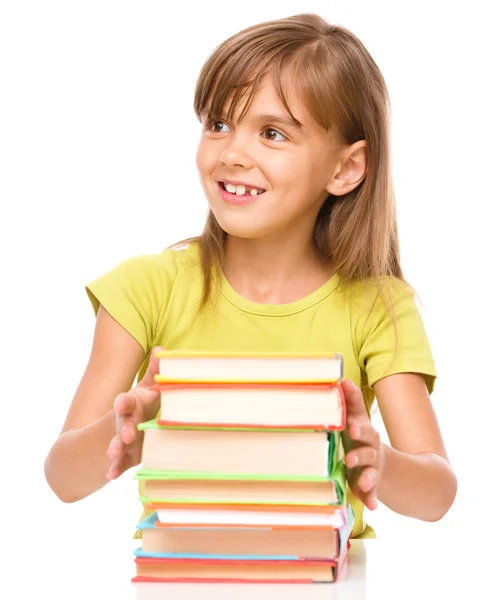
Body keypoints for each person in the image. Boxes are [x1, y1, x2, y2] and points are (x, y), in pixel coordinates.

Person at [44, 13, 457, 539]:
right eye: (218, 124)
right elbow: (62, 476)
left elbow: (437, 493)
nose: (232, 153)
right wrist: (123, 435)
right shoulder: (144, 289)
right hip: (181, 574)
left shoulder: (378, 306)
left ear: (345, 169)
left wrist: (376, 458)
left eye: (272, 133)